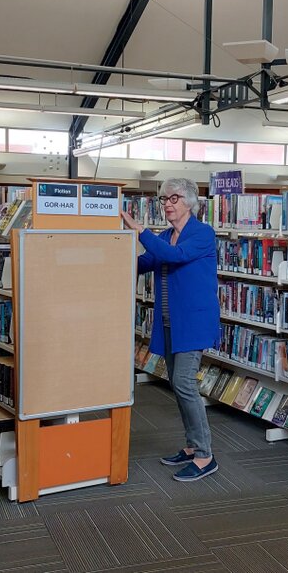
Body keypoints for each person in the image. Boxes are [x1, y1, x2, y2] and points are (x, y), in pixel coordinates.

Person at [120, 178, 220, 482]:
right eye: (164, 199)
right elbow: (145, 262)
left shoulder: (202, 234)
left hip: (193, 323)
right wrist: (112, 250)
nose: (167, 204)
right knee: (179, 385)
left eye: (173, 198)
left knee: (185, 383)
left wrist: (140, 230)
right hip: (169, 322)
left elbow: (174, 257)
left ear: (189, 202)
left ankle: (205, 456)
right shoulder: (166, 236)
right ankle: (192, 446)